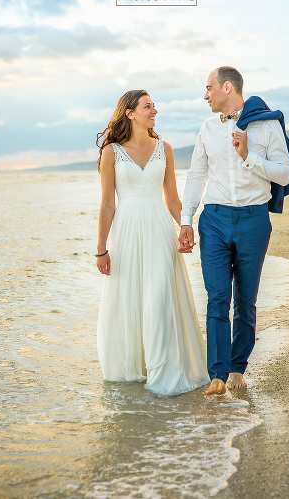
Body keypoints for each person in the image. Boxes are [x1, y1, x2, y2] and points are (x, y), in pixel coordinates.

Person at [178, 66, 289, 396]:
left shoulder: (267, 124)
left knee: (245, 300)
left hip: (253, 220)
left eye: (209, 88)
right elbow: (196, 175)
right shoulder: (206, 128)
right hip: (214, 219)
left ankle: (237, 367)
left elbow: (285, 175)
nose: (205, 95)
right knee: (218, 298)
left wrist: (248, 156)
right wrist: (186, 219)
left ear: (227, 87)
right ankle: (216, 374)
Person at [95, 89, 208, 396]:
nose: (154, 110)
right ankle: (136, 371)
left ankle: (163, 375)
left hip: (159, 228)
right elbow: (107, 204)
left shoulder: (164, 149)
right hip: (128, 231)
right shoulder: (111, 152)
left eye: (154, 106)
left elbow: (171, 197)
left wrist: (186, 224)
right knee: (132, 300)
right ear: (130, 113)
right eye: (148, 106)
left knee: (159, 299)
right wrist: (101, 248)